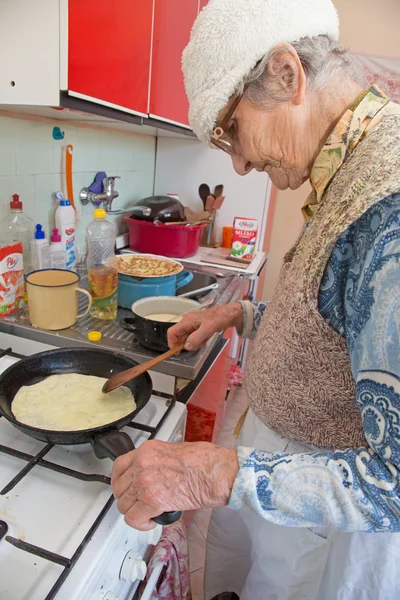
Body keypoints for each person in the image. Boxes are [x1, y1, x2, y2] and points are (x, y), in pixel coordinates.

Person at [111, 0, 400, 598]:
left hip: (322, 527)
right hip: (272, 471)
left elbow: (393, 478)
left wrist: (214, 471)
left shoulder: (389, 210)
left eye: (231, 131)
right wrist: (241, 312)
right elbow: (337, 321)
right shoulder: (346, 165)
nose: (238, 162)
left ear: (288, 74)